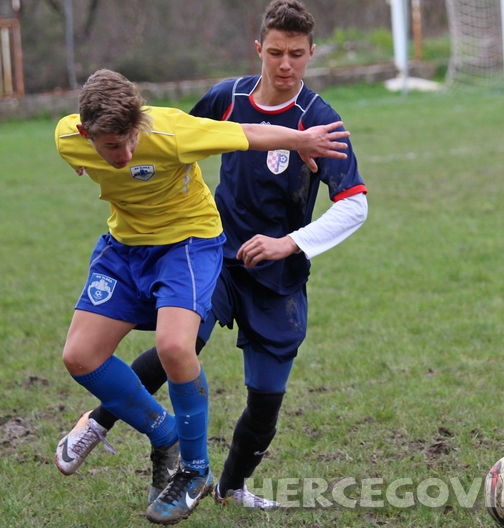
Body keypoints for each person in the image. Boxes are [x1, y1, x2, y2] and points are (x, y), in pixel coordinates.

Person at [53, 67, 350, 525]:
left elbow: (246, 133)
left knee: (176, 346)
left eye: (132, 139)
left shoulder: (171, 131)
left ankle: (194, 470)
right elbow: (81, 154)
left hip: (188, 244)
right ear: (84, 133)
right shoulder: (66, 138)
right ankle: (165, 432)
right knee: (79, 356)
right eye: (112, 146)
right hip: (124, 248)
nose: (126, 152)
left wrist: (299, 140)